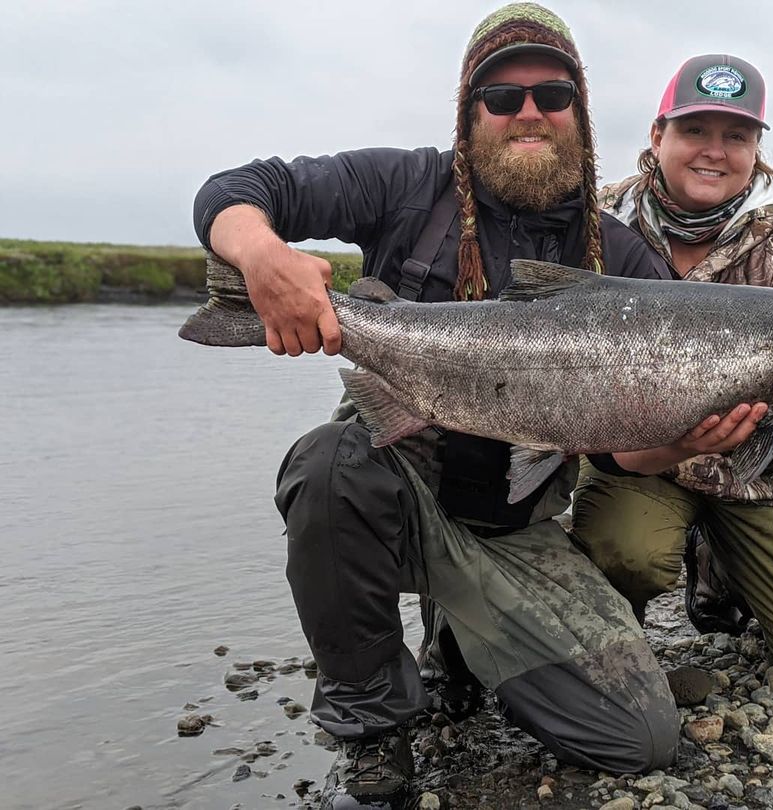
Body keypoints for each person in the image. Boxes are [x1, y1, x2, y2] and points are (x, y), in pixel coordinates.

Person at [192, 5, 679, 808]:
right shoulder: (404, 186)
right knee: (327, 465)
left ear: (580, 116)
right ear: (469, 112)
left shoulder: (622, 258)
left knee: (639, 739)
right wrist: (261, 258)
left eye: (553, 94)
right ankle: (374, 733)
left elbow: (631, 458)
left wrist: (687, 434)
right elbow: (240, 190)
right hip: (396, 484)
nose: (529, 112)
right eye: (502, 96)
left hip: (517, 529)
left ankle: (459, 638)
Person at [573, 54, 773, 700]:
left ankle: (722, 564)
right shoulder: (595, 226)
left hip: (756, 476)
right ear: (658, 137)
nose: (714, 151)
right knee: (624, 550)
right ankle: (614, 621)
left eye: (736, 136)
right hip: (642, 464)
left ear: (756, 149)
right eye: (695, 131)